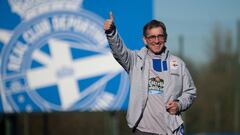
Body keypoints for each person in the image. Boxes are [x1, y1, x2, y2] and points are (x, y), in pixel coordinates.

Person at [103, 11, 197, 135]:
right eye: (152, 37)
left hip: (171, 130)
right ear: (145, 40)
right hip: (143, 130)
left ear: (165, 38)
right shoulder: (135, 60)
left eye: (160, 36)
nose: (157, 41)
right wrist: (111, 33)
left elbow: (190, 92)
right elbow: (119, 51)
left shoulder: (178, 64)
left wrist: (179, 104)